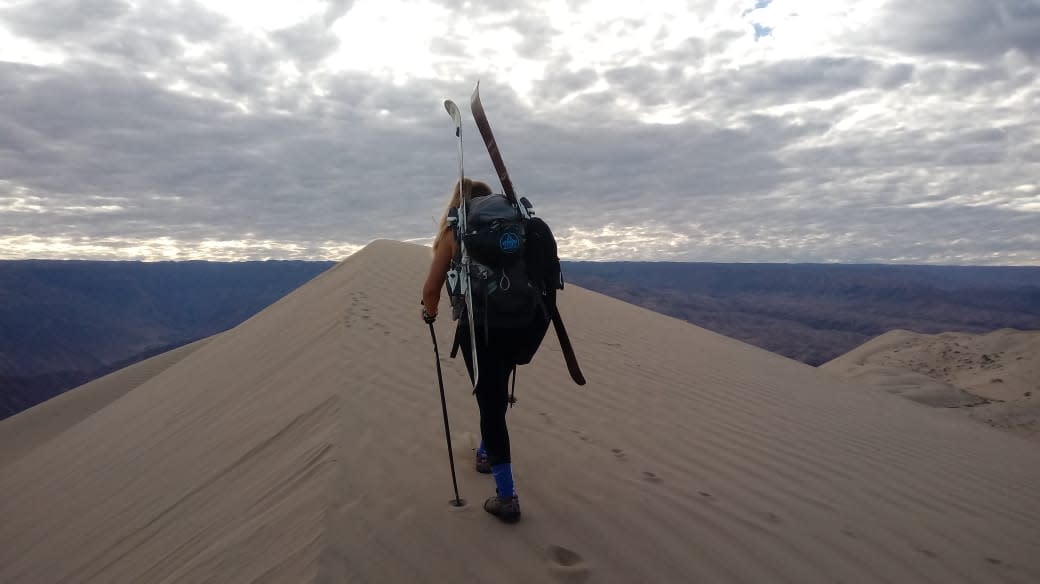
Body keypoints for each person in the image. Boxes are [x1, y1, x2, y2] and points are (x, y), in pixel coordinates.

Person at [422, 178, 522, 523]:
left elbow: (431, 288)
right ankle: (483, 451)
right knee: (495, 393)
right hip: (521, 323)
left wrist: (429, 312)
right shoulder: (513, 229)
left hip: (478, 329)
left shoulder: (457, 232)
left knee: (489, 400)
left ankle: (506, 496)